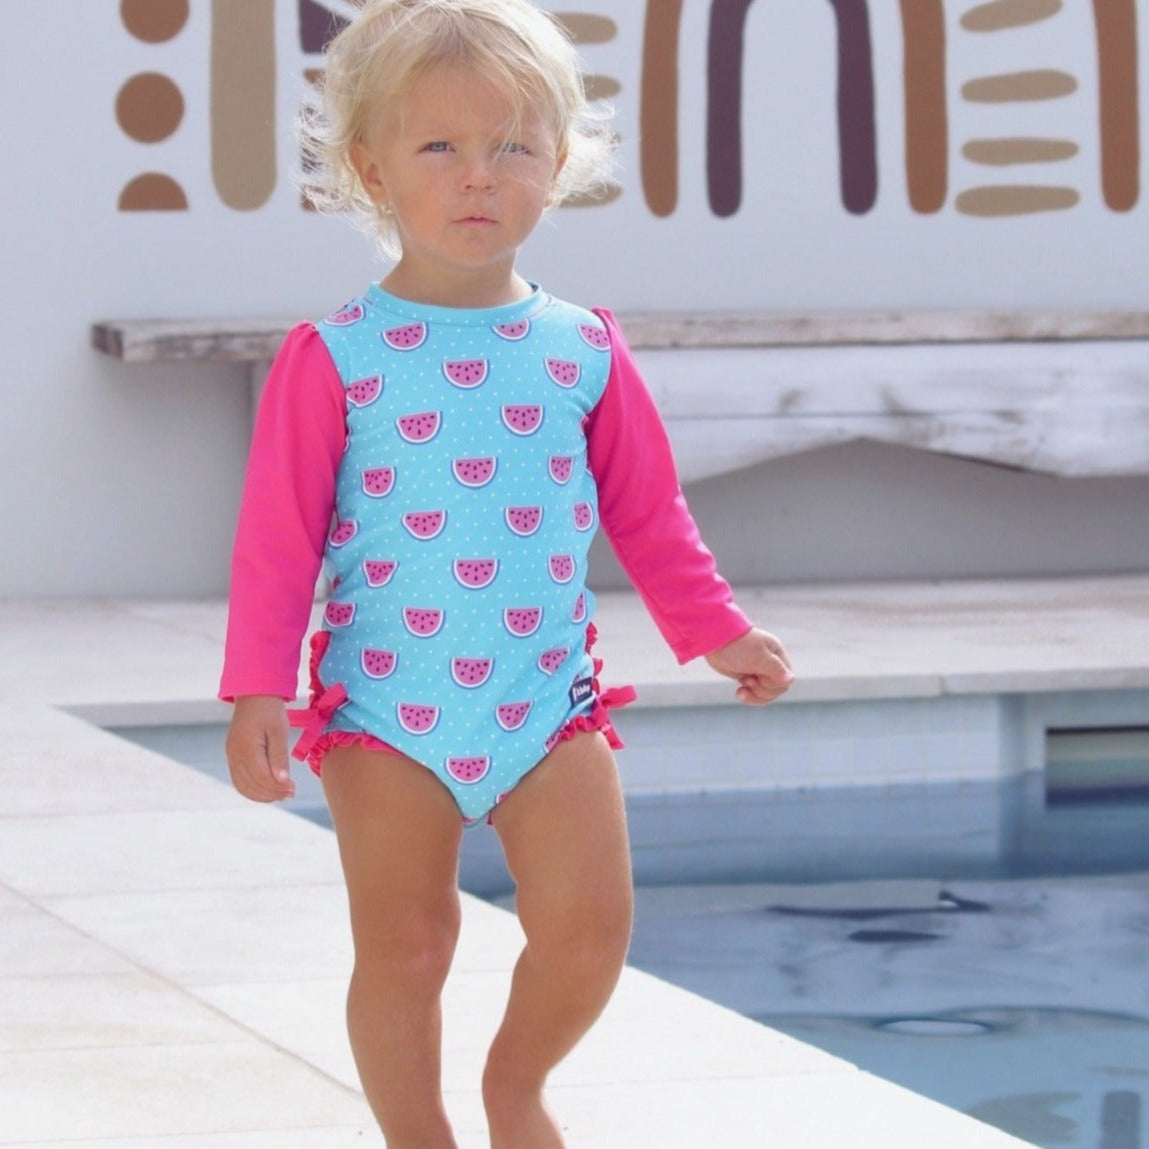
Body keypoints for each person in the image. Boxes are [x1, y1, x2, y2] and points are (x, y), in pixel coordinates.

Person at [219, 2, 793, 1146]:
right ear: (372, 168)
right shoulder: (334, 356)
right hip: (386, 706)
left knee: (589, 930)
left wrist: (713, 627)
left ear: (560, 165)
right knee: (407, 942)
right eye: (440, 147)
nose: (479, 177)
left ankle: (515, 1086)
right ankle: (416, 1134)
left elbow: (646, 510)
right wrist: (255, 691)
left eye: (514, 147)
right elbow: (276, 539)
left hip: (548, 703)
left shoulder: (582, 346)